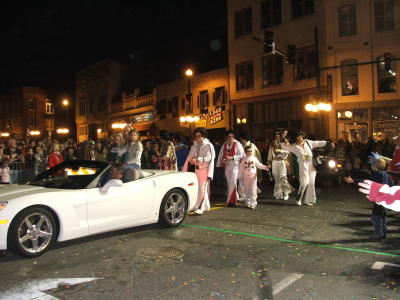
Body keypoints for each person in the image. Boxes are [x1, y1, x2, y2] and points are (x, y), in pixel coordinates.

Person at [345, 154, 392, 241]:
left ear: (375, 167)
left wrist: (353, 180)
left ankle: (378, 234)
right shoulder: (386, 174)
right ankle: (383, 233)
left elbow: (365, 181)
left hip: (378, 200)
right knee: (383, 217)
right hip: (385, 200)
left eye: (372, 165)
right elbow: (391, 184)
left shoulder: (376, 175)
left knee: (376, 217)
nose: (370, 166)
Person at [282, 130, 333, 206]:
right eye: (298, 137)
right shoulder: (292, 146)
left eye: (301, 136)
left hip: (312, 164)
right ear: (295, 138)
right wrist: (284, 139)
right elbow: (283, 147)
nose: (300, 138)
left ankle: (308, 200)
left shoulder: (308, 142)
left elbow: (318, 143)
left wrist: (328, 143)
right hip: (303, 164)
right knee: (304, 182)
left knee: (311, 183)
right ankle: (299, 199)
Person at [183, 128, 215, 215]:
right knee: (199, 189)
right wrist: (191, 161)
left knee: (202, 189)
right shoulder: (195, 146)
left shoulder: (208, 145)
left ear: (203, 136)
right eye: (196, 136)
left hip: (204, 170)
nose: (197, 138)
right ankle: (204, 206)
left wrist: (198, 159)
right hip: (196, 170)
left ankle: (201, 207)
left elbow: (209, 158)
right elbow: (189, 157)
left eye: (199, 136)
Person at [216, 130, 245, 206]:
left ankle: (231, 201)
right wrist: (221, 162)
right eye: (229, 136)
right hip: (227, 166)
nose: (230, 138)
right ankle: (236, 197)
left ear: (234, 137)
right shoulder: (224, 144)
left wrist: (232, 158)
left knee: (232, 182)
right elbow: (220, 155)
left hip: (235, 167)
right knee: (230, 183)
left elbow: (242, 155)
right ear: (226, 137)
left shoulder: (237, 144)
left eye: (232, 136)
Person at [268, 129, 293, 200]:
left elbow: (288, 151)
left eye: (278, 133)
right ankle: (277, 194)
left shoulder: (285, 142)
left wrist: (281, 151)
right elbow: (270, 153)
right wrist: (269, 162)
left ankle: (286, 193)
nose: (277, 135)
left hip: (282, 161)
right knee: (276, 178)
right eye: (276, 134)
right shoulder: (273, 142)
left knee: (283, 177)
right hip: (275, 162)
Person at [239, 131, 262, 198]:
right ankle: (244, 195)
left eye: (241, 139)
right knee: (242, 181)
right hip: (244, 166)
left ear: (243, 139)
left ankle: (247, 196)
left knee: (249, 183)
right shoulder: (242, 145)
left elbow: (254, 157)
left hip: (249, 167)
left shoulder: (251, 146)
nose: (241, 140)